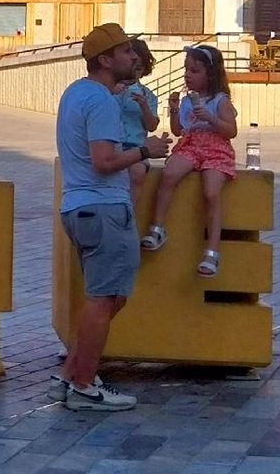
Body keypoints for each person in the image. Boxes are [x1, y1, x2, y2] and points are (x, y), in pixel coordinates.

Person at [53, 23, 168, 412]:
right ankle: (84, 385)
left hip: (80, 208)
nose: (134, 57)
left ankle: (70, 373)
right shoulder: (100, 101)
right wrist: (145, 150)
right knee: (104, 300)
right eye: (125, 52)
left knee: (109, 296)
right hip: (102, 209)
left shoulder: (75, 93)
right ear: (105, 60)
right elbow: (104, 161)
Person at [145, 44, 239, 277]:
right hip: (191, 145)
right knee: (169, 174)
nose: (188, 75)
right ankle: (157, 227)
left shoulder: (220, 100)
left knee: (211, 192)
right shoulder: (187, 100)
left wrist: (211, 118)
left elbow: (231, 131)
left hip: (215, 147)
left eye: (194, 70)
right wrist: (175, 111)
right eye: (186, 69)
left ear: (210, 74)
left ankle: (212, 250)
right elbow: (179, 131)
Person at [115, 40, 159, 199]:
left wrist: (144, 106)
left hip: (136, 147)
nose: (135, 72)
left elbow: (152, 125)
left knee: (137, 172)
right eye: (132, 66)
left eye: (139, 68)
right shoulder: (110, 89)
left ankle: (131, 213)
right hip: (114, 145)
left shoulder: (147, 95)